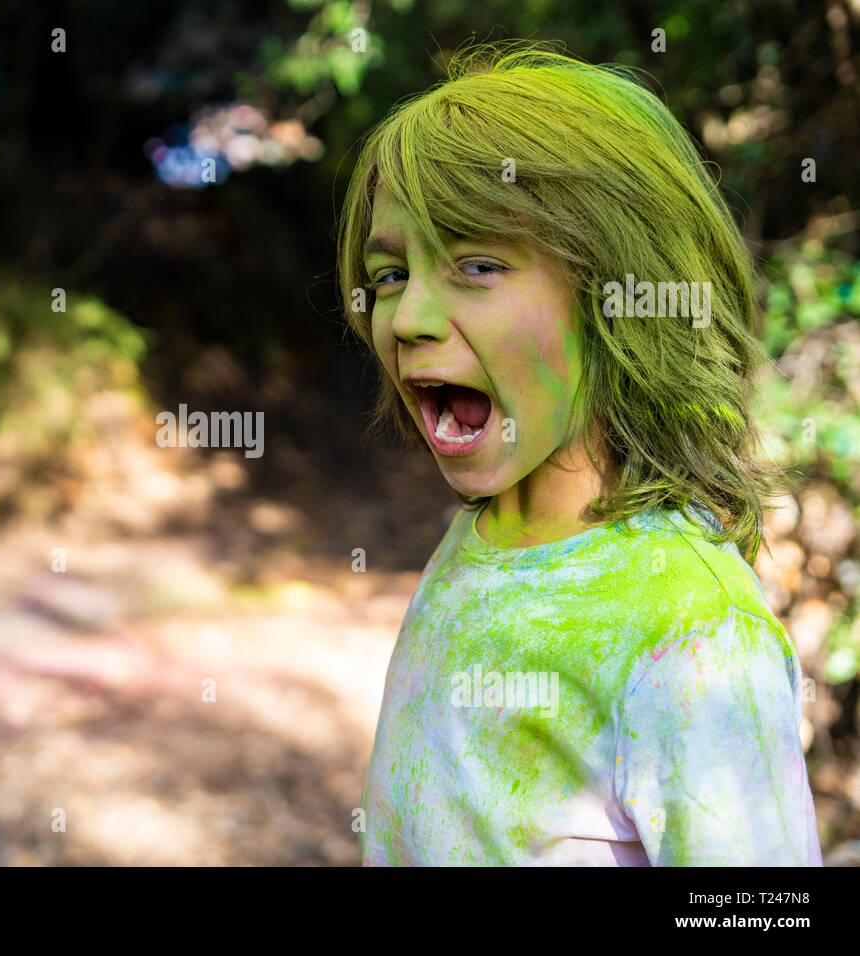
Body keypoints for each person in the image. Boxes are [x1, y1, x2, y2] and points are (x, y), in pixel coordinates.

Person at [338, 43, 822, 865]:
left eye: (478, 264)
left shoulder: (693, 632)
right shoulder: (482, 538)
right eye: (389, 274)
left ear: (618, 295)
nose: (408, 315)